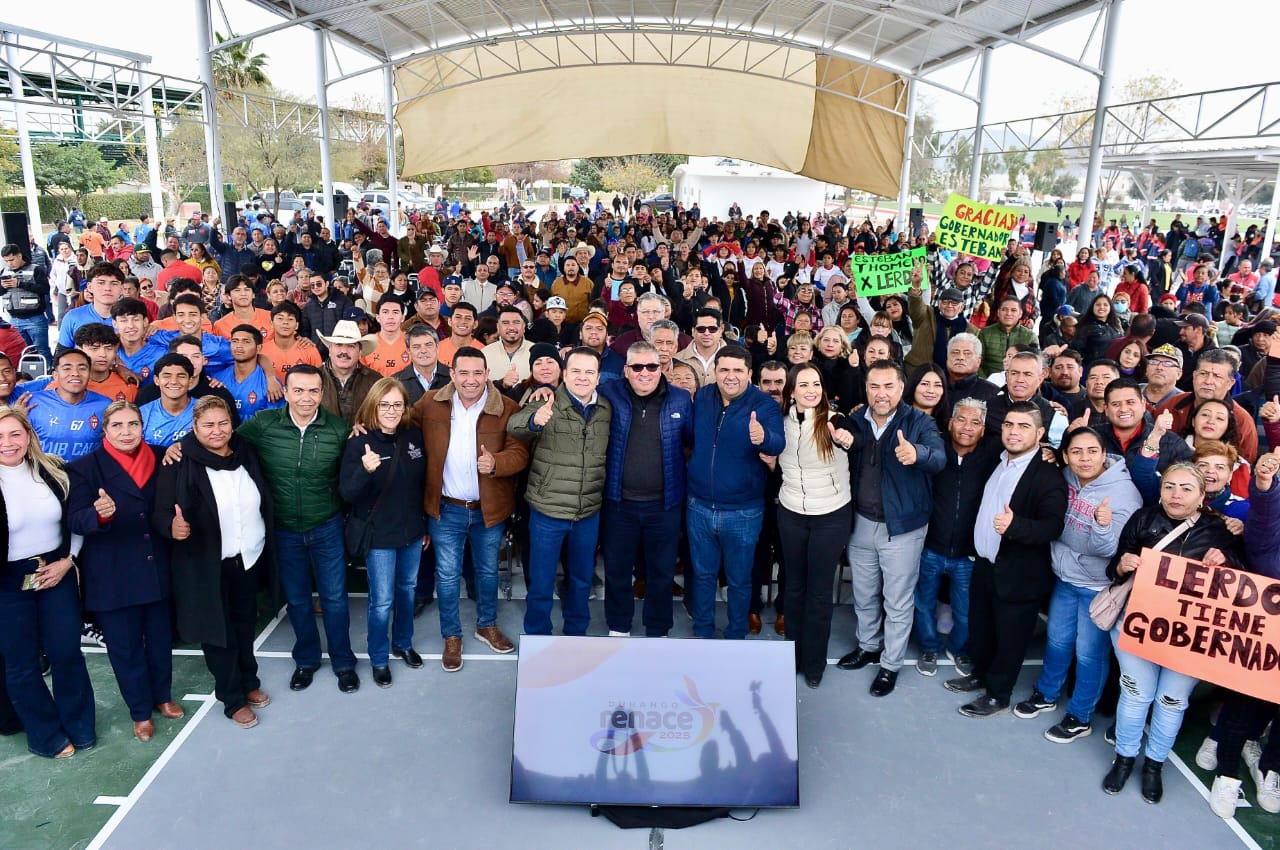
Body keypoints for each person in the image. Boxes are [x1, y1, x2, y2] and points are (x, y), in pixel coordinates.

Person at [1101, 463, 1239, 803]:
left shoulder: (1219, 530)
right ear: (1160, 490)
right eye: (1170, 487)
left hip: (1188, 636)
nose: (1176, 495)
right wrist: (1122, 565)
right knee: (1136, 694)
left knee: (1172, 700)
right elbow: (1113, 567)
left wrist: (1227, 564)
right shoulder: (1143, 519)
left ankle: (1154, 765)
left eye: (1186, 489)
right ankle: (1124, 758)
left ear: (1202, 495)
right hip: (1136, 625)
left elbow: (1239, 588)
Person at [1010, 427, 1141, 742]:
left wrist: (1102, 525)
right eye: (1077, 452)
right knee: (1057, 642)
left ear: (1103, 453)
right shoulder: (1065, 477)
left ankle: (1080, 716)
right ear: (1065, 456)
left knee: (1089, 655)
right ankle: (1046, 693)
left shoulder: (1124, 494)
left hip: (1098, 587)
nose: (1085, 459)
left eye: (1092, 451)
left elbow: (1108, 550)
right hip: (1065, 578)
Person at [236, 364, 359, 693]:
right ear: (286, 392)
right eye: (299, 390)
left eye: (313, 391)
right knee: (299, 600)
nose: (306, 397)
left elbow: (354, 468)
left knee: (334, 599)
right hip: (285, 530)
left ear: (322, 393)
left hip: (327, 526)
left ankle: (344, 661)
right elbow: (222, 444)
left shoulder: (337, 429)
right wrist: (179, 448)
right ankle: (306, 659)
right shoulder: (263, 425)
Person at [155, 396, 274, 727]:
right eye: (208, 425)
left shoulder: (245, 451)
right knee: (218, 634)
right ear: (194, 426)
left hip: (247, 558)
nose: (217, 431)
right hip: (206, 565)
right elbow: (161, 512)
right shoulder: (178, 461)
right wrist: (172, 527)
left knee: (244, 624)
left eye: (223, 423)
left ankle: (249, 682)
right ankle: (232, 698)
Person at [67, 402, 182, 741]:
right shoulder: (85, 468)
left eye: (133, 424)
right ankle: (140, 711)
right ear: (105, 430)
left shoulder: (163, 456)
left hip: (155, 565)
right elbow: (74, 519)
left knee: (161, 639)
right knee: (125, 646)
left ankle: (163, 696)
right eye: (117, 425)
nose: (126, 432)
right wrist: (98, 514)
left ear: (142, 426)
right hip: (112, 574)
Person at [947, 403, 1067, 718]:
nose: (1014, 432)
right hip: (986, 565)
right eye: (1009, 424)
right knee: (982, 628)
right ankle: (980, 675)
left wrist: (1015, 527)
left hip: (1019, 573)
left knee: (1010, 639)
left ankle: (998, 695)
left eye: (1023, 426)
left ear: (1040, 434)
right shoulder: (999, 461)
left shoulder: (1047, 474)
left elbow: (1053, 526)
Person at [837, 360, 946, 697]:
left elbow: (938, 457)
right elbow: (843, 439)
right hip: (861, 524)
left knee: (897, 602)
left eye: (888, 386)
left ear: (901, 389)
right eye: (874, 386)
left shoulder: (919, 422)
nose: (881, 394)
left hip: (902, 530)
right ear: (866, 389)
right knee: (864, 594)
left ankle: (890, 665)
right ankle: (868, 646)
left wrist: (918, 454)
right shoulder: (857, 420)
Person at [0, 406, 93, 758]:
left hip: (56, 574)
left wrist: (68, 562)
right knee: (22, 663)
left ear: (28, 436)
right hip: (8, 585)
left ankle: (79, 725)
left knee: (67, 652)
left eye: (14, 434)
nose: (7, 443)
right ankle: (45, 735)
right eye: (0, 437)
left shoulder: (52, 470)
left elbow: (75, 523)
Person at [508, 348, 611, 636]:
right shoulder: (544, 400)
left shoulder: (606, 408)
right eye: (576, 371)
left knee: (580, 580)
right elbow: (514, 427)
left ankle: (576, 634)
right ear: (564, 374)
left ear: (598, 377)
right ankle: (538, 636)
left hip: (587, 512)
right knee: (541, 583)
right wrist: (533, 421)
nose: (582, 377)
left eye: (589, 372)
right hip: (547, 511)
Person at [686, 345, 785, 639]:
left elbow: (778, 443)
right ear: (715, 372)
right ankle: (702, 631)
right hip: (699, 506)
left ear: (749, 374)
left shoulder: (764, 406)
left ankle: (736, 635)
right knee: (702, 577)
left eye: (738, 370)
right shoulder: (703, 397)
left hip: (743, 512)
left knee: (740, 580)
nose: (730, 376)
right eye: (724, 370)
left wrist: (763, 437)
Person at [598, 342, 694, 638]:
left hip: (664, 506)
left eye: (651, 366)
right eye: (636, 367)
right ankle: (618, 626)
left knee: (662, 573)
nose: (644, 373)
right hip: (618, 503)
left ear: (662, 368)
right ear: (625, 370)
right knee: (616, 570)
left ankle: (658, 628)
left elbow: (690, 441)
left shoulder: (680, 399)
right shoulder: (608, 393)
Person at [339, 379, 427, 688]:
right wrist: (365, 470)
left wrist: (424, 526)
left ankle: (402, 643)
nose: (391, 410)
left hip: (412, 533)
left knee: (407, 591)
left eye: (397, 404)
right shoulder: (358, 442)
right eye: (384, 404)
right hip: (379, 537)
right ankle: (378, 658)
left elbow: (420, 487)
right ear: (374, 406)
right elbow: (347, 493)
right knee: (381, 601)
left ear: (405, 408)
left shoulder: (414, 437)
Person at [773, 364, 852, 688]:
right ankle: (792, 656)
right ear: (791, 390)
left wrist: (846, 437)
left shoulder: (834, 420)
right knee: (793, 588)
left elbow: (850, 437)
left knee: (819, 593)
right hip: (791, 512)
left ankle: (814, 662)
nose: (811, 389)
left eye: (816, 383)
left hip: (830, 515)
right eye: (803, 384)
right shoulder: (779, 423)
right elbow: (770, 452)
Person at [1, 243, 52, 367]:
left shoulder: (36, 269)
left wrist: (20, 284)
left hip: (35, 318)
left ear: (19, 256)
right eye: (6, 261)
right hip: (13, 319)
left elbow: (45, 289)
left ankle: (48, 375)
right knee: (22, 354)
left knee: (42, 352)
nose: (10, 264)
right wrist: (3, 287)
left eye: (12, 260)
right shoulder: (3, 271)